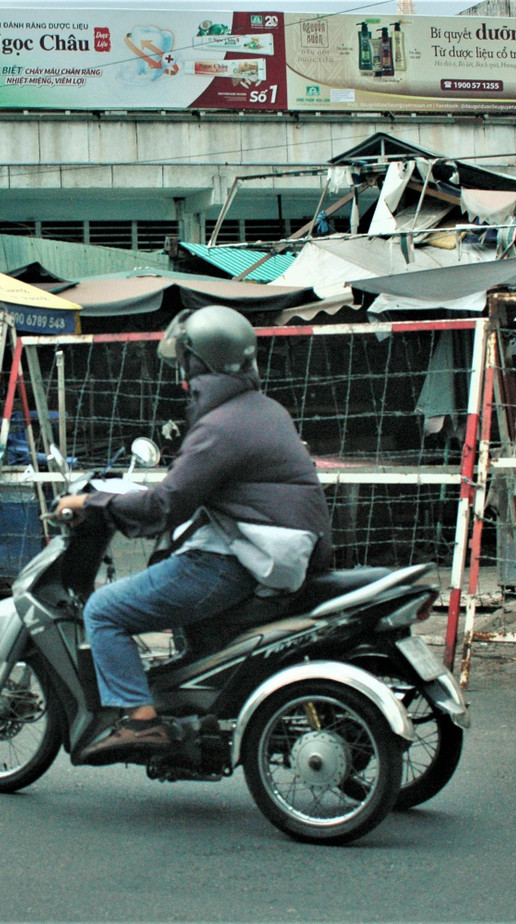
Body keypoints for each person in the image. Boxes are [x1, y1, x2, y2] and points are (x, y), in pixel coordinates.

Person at [53, 306, 334, 766]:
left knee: (103, 610)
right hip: (272, 553)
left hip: (232, 561)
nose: (182, 373)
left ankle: (141, 720)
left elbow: (164, 507)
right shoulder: (265, 411)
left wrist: (92, 503)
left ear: (198, 363)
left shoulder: (221, 427)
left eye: (185, 361)